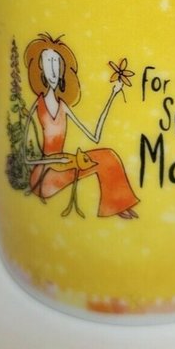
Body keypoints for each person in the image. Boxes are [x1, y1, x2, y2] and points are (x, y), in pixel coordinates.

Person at [22, 33, 139, 219]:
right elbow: (27, 158)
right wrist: (54, 161)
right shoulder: (37, 106)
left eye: (56, 64)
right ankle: (117, 206)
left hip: (66, 163)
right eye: (48, 63)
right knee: (101, 160)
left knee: (108, 156)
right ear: (40, 68)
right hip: (45, 177)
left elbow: (94, 137)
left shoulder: (63, 107)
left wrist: (112, 95)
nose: (53, 70)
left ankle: (118, 205)